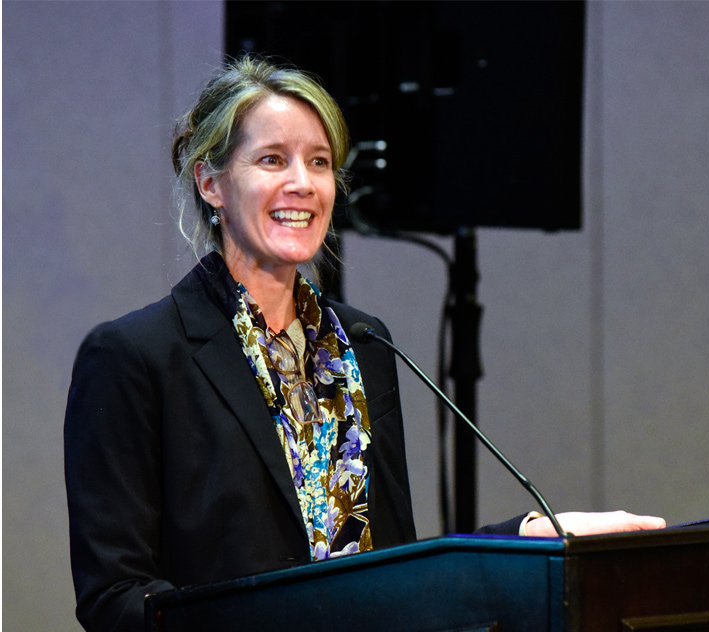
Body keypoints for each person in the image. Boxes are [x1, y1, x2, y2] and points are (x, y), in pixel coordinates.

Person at [64, 55, 665, 632]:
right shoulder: (136, 357)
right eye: (273, 160)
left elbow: (394, 568)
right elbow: (116, 597)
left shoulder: (364, 343)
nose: (303, 184)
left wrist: (528, 538)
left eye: (319, 162)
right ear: (211, 182)